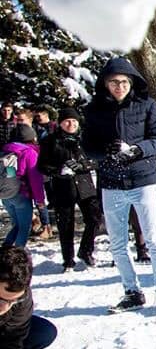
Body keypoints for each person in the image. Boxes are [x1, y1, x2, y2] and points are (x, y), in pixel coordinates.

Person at [82, 57, 156, 313]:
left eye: (124, 82)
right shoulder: (93, 110)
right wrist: (105, 152)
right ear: (105, 84)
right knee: (117, 242)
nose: (119, 86)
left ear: (132, 82)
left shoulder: (147, 105)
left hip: (143, 179)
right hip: (111, 182)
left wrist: (136, 150)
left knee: (154, 237)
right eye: (114, 82)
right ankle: (131, 291)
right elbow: (87, 146)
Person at [36, 108, 103, 270]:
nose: (71, 124)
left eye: (74, 121)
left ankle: (86, 251)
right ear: (60, 123)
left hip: (85, 185)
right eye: (67, 121)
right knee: (66, 225)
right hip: (63, 187)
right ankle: (68, 260)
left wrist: (84, 165)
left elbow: (98, 159)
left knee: (94, 219)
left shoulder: (85, 139)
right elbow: (42, 166)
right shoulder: (50, 141)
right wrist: (59, 169)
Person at [1, 125, 46, 248]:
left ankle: (6, 249)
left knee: (17, 225)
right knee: (24, 227)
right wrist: (40, 200)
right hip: (22, 195)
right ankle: (17, 254)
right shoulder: (29, 152)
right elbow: (35, 180)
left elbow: (10, 173)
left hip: (6, 194)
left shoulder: (5, 150)